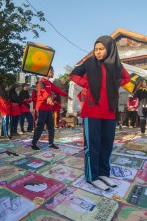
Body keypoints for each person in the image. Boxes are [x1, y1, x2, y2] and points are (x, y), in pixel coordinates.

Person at [70, 35, 130, 191]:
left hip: (110, 111)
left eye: (101, 49)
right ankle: (92, 176)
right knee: (93, 145)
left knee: (107, 145)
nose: (97, 52)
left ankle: (104, 173)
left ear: (109, 49)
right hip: (92, 111)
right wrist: (88, 84)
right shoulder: (90, 62)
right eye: (96, 49)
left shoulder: (116, 65)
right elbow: (74, 74)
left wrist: (114, 84)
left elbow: (126, 78)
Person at [31, 66, 70, 150]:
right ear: (48, 71)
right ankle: (34, 143)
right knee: (40, 126)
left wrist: (66, 95)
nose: (53, 73)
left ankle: (51, 143)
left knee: (51, 126)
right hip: (41, 108)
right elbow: (42, 91)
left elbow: (57, 90)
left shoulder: (49, 82)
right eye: (52, 71)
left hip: (48, 108)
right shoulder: (41, 81)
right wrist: (48, 97)